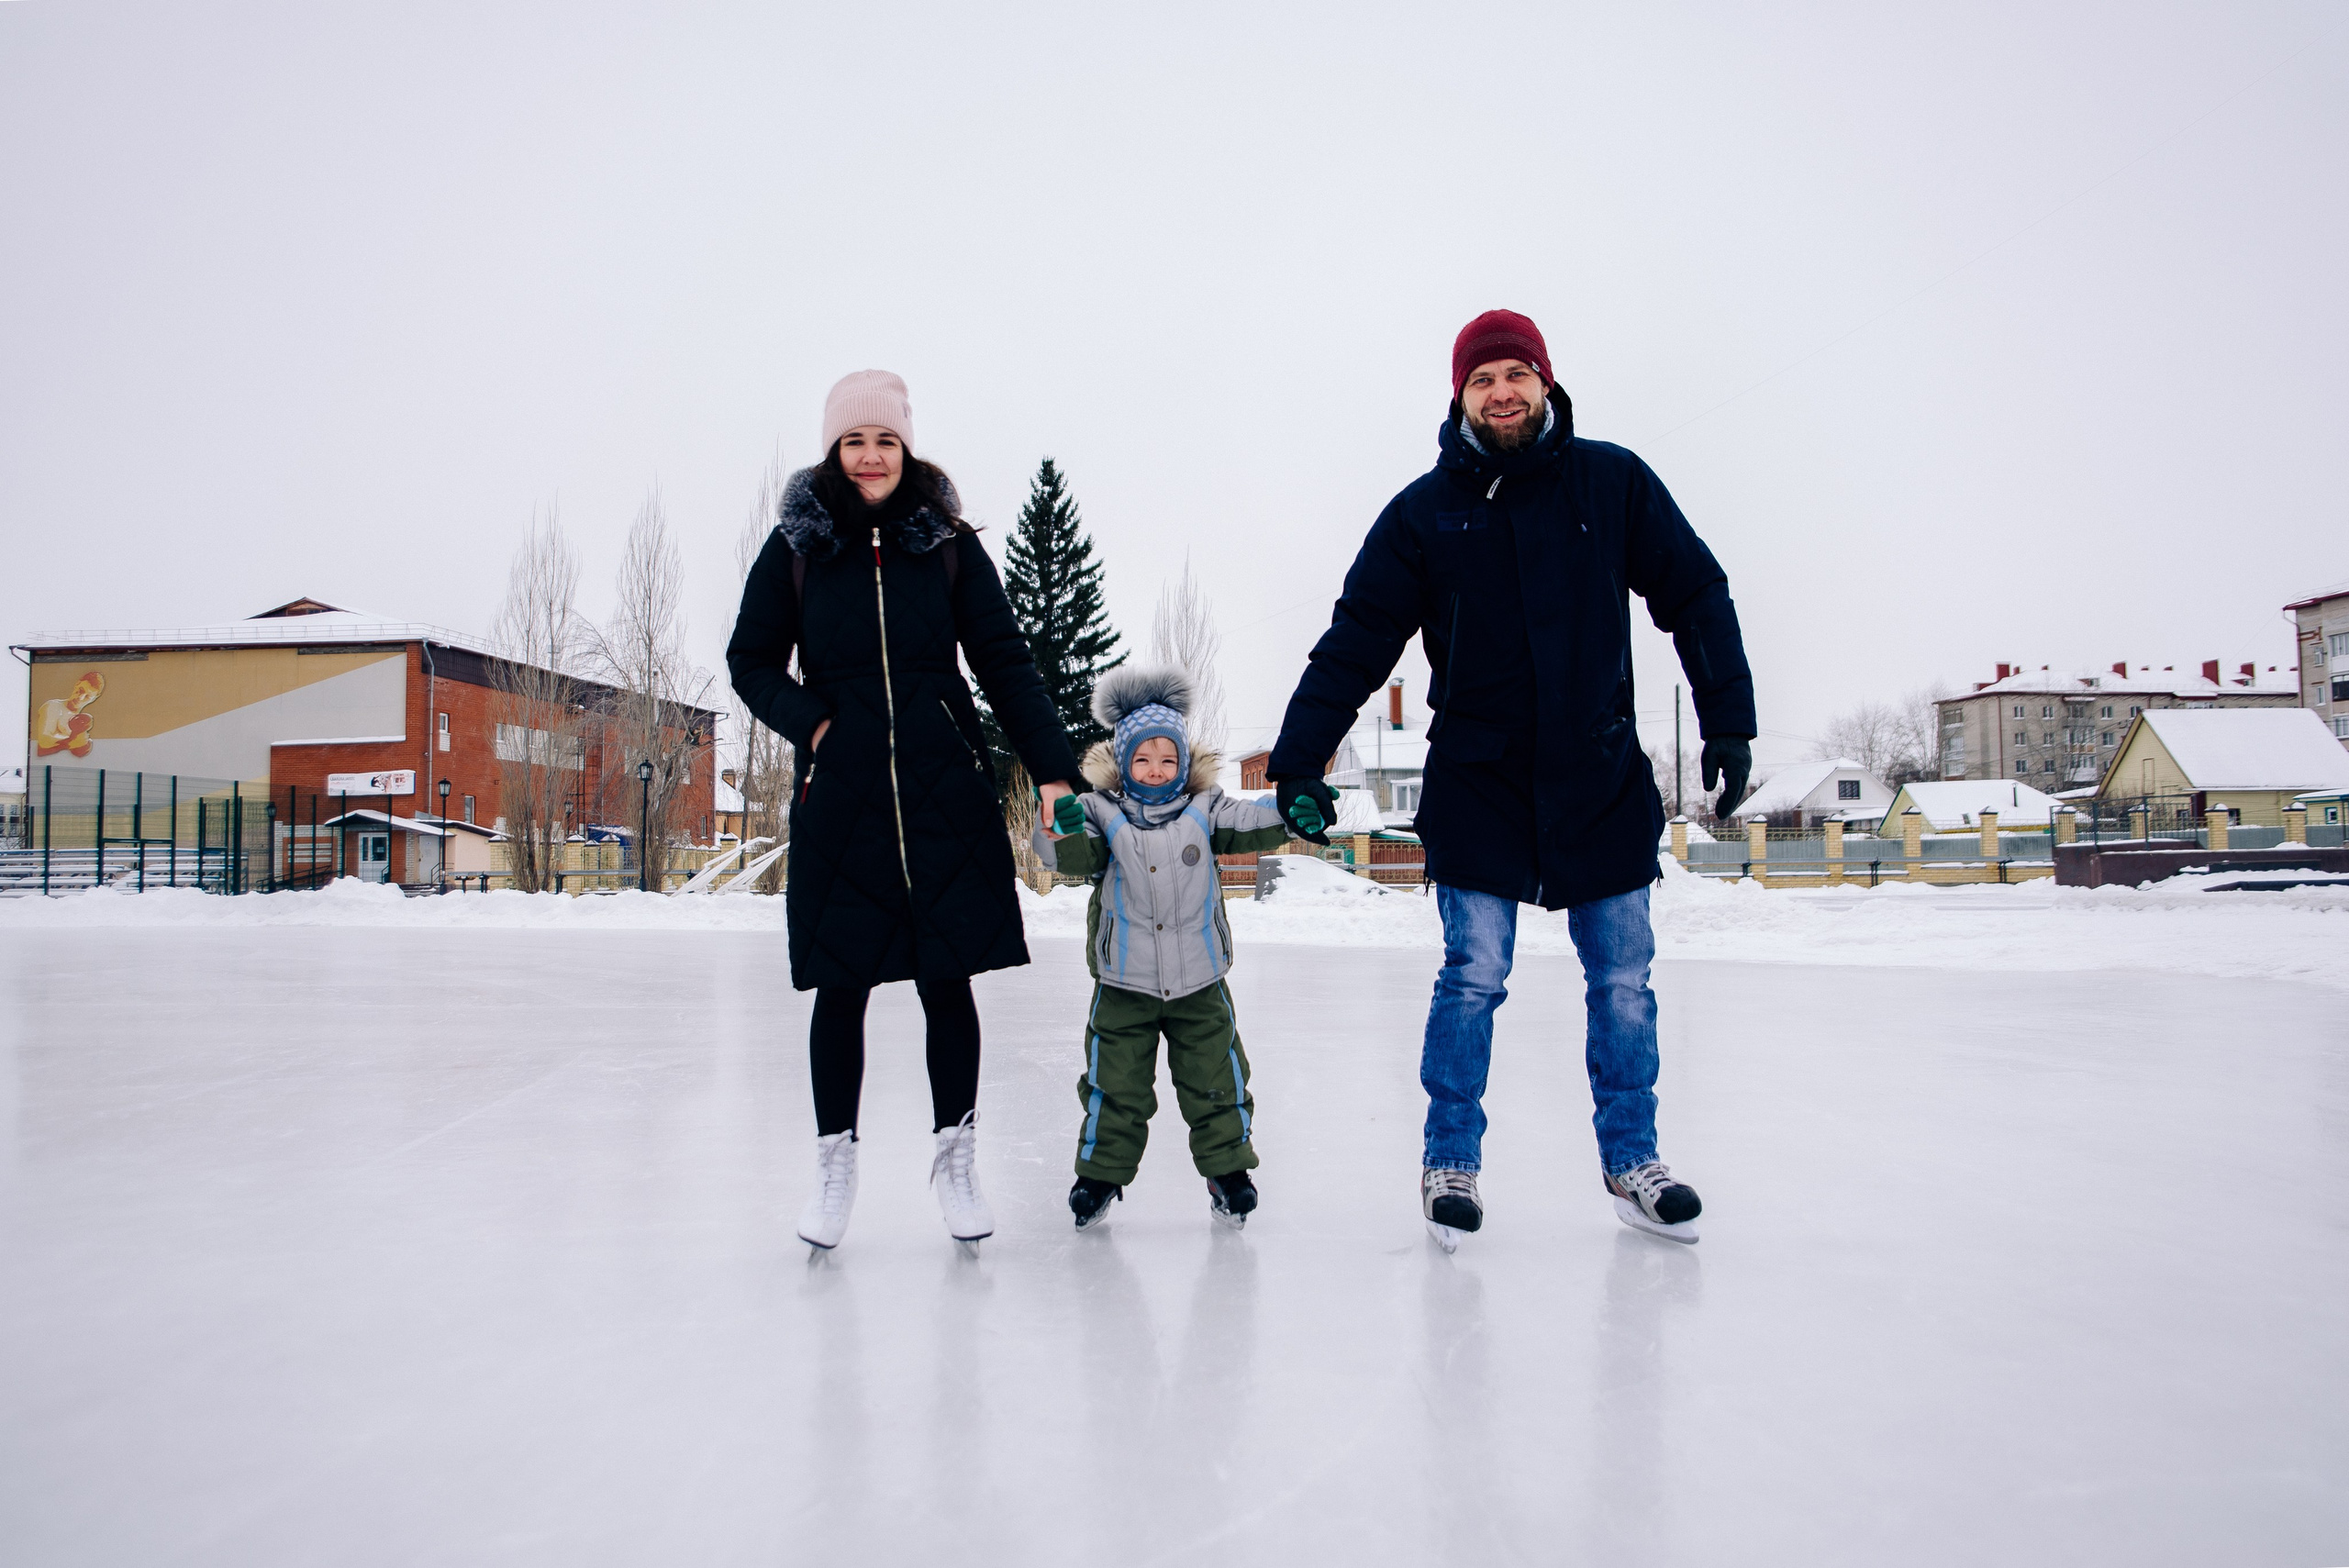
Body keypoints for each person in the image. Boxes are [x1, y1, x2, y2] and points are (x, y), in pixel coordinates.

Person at [1262, 310, 1754, 1247]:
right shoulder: (1425, 510)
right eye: (1482, 378)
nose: (1501, 392)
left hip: (1598, 770)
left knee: (1622, 980)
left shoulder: (1612, 482)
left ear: (1544, 381)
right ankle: (1451, 1159)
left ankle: (1631, 1160)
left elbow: (1693, 589)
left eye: (1515, 374)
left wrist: (1728, 717)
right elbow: (1357, 638)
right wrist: (1297, 757)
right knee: (1472, 975)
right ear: (1459, 395)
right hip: (1481, 780)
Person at [727, 369, 1083, 1252]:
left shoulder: (947, 544)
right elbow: (751, 659)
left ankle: (956, 1161)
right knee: (839, 985)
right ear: (834, 451)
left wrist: (1053, 770)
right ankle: (833, 1165)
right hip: (842, 795)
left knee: (946, 978)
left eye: (885, 440)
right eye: (855, 442)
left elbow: (1004, 660)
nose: (872, 456)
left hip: (941, 790)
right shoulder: (798, 548)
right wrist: (814, 727)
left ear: (906, 446)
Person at [1032, 666, 1297, 1230]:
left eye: (1168, 760)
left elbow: (1255, 820)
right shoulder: (1102, 812)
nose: (1157, 771)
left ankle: (1228, 1172)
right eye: (1144, 760)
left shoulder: (1207, 809)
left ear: (1184, 763)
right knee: (1116, 1085)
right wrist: (1059, 830)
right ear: (1124, 764)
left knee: (1217, 1079)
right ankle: (1099, 1176)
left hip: (1200, 983)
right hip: (1123, 985)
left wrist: (1295, 809)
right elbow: (1070, 857)